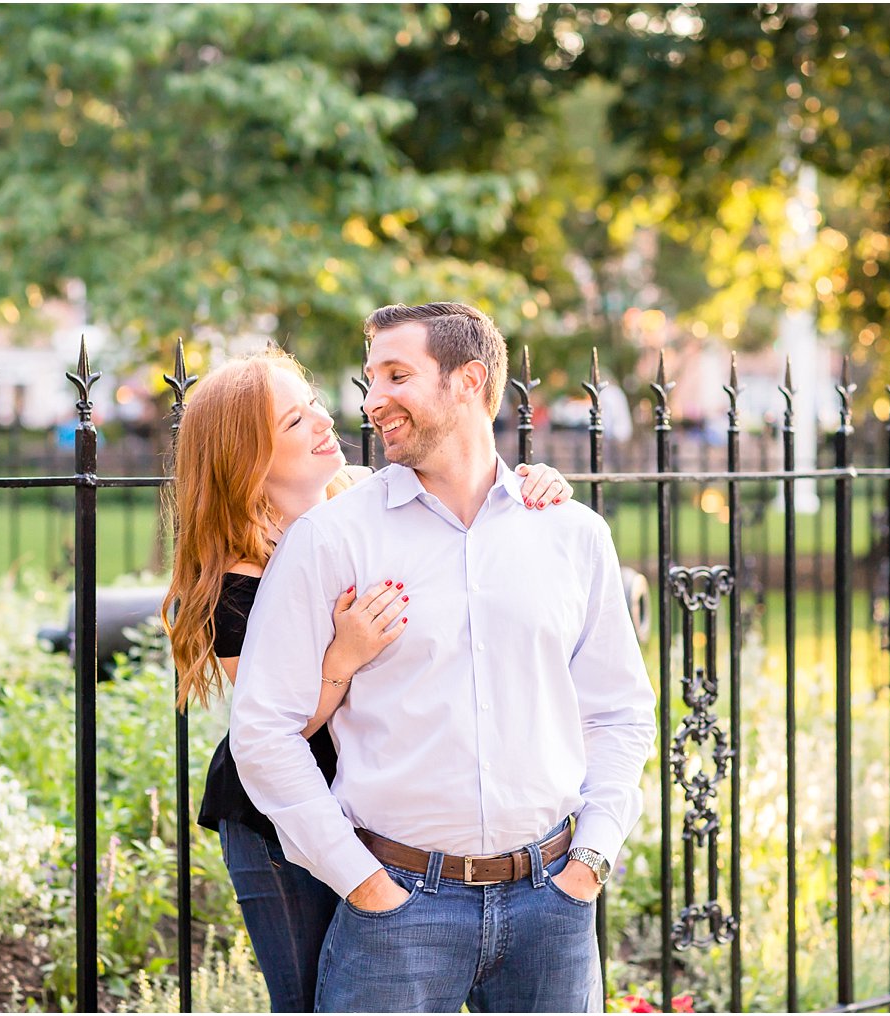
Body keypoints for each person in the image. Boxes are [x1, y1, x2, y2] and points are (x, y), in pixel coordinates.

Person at [230, 303, 657, 1013]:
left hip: (552, 903)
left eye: (398, 375)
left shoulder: (571, 534)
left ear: (469, 381)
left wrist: (590, 861)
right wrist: (364, 883)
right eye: (370, 378)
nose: (371, 400)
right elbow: (262, 730)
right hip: (398, 912)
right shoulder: (332, 540)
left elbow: (619, 713)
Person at [161, 347, 575, 1013]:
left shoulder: (365, 508)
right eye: (296, 423)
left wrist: (533, 484)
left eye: (315, 404)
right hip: (282, 818)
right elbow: (281, 727)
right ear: (249, 458)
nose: (327, 421)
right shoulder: (231, 588)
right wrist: (342, 657)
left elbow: (471, 510)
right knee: (309, 997)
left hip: (388, 803)